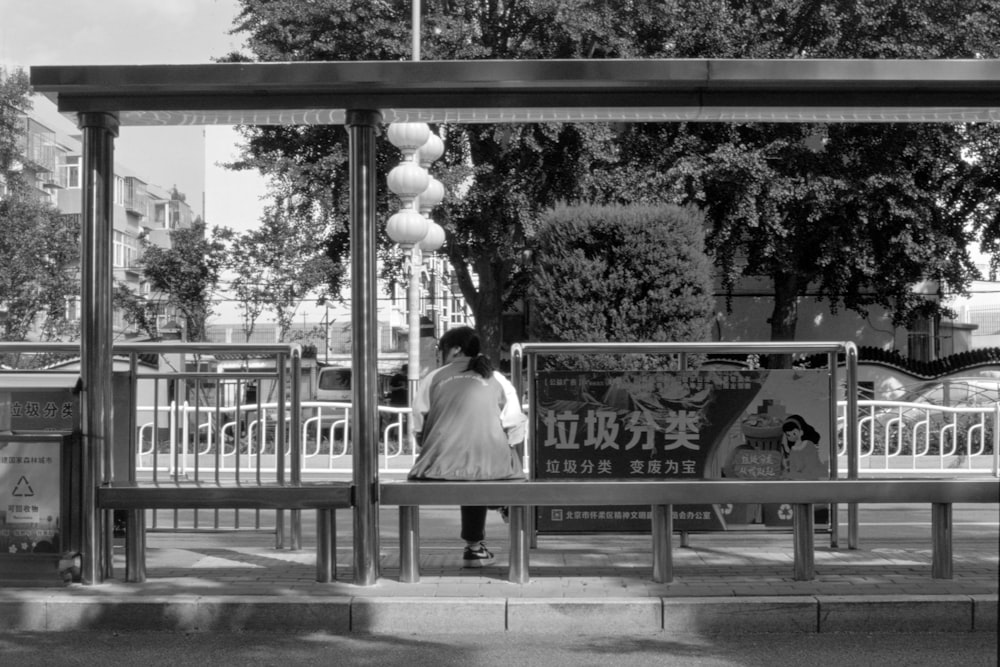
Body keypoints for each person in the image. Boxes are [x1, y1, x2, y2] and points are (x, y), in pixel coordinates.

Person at [408, 326, 525, 568]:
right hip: (491, 467)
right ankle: (496, 512)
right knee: (485, 467)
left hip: (437, 466)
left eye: (442, 350)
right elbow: (514, 424)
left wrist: (433, 445)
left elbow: (418, 424)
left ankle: (474, 546)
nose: (441, 356)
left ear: (455, 350)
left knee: (468, 468)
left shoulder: (434, 377)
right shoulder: (496, 378)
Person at [780, 414, 827, 480]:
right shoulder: (793, 449)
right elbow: (792, 465)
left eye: (794, 433)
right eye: (788, 435)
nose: (791, 436)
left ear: (801, 432)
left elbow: (811, 464)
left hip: (809, 473)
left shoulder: (808, 444)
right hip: (798, 474)